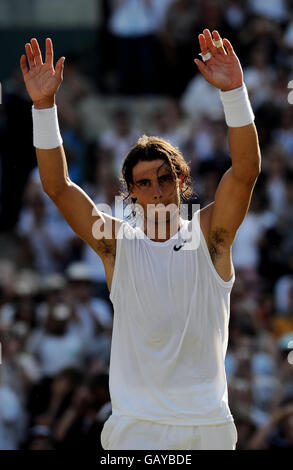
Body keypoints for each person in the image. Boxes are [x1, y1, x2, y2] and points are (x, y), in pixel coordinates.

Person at [20, 28, 261, 450]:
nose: (156, 191)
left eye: (165, 179)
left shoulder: (210, 233)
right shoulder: (116, 243)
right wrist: (43, 107)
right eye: (144, 183)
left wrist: (236, 93)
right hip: (135, 429)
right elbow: (57, 187)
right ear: (130, 193)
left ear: (181, 181)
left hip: (206, 427)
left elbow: (244, 173)